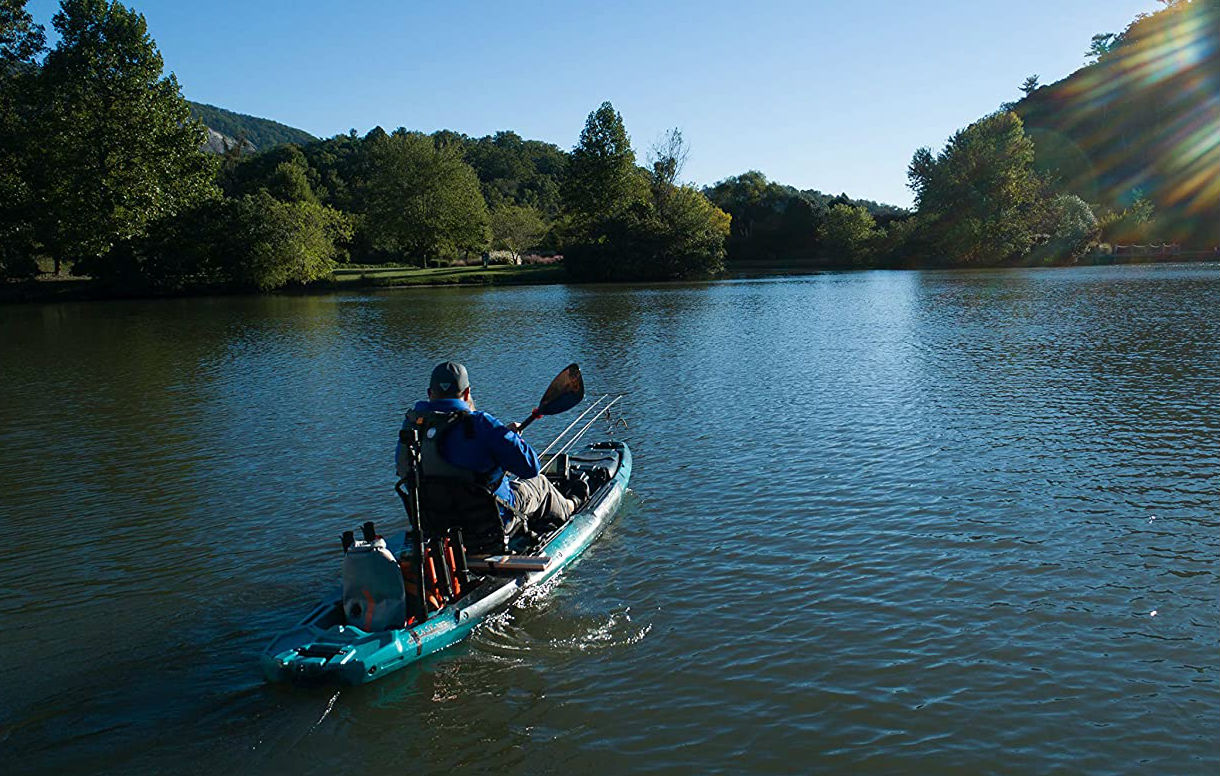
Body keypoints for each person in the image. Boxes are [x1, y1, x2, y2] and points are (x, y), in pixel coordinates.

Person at [395, 361, 577, 545]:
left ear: (429, 394)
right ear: (467, 393)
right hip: (492, 523)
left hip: (436, 525)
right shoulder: (482, 424)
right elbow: (530, 467)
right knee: (540, 484)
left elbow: (405, 472)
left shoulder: (412, 426)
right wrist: (510, 439)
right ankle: (571, 507)